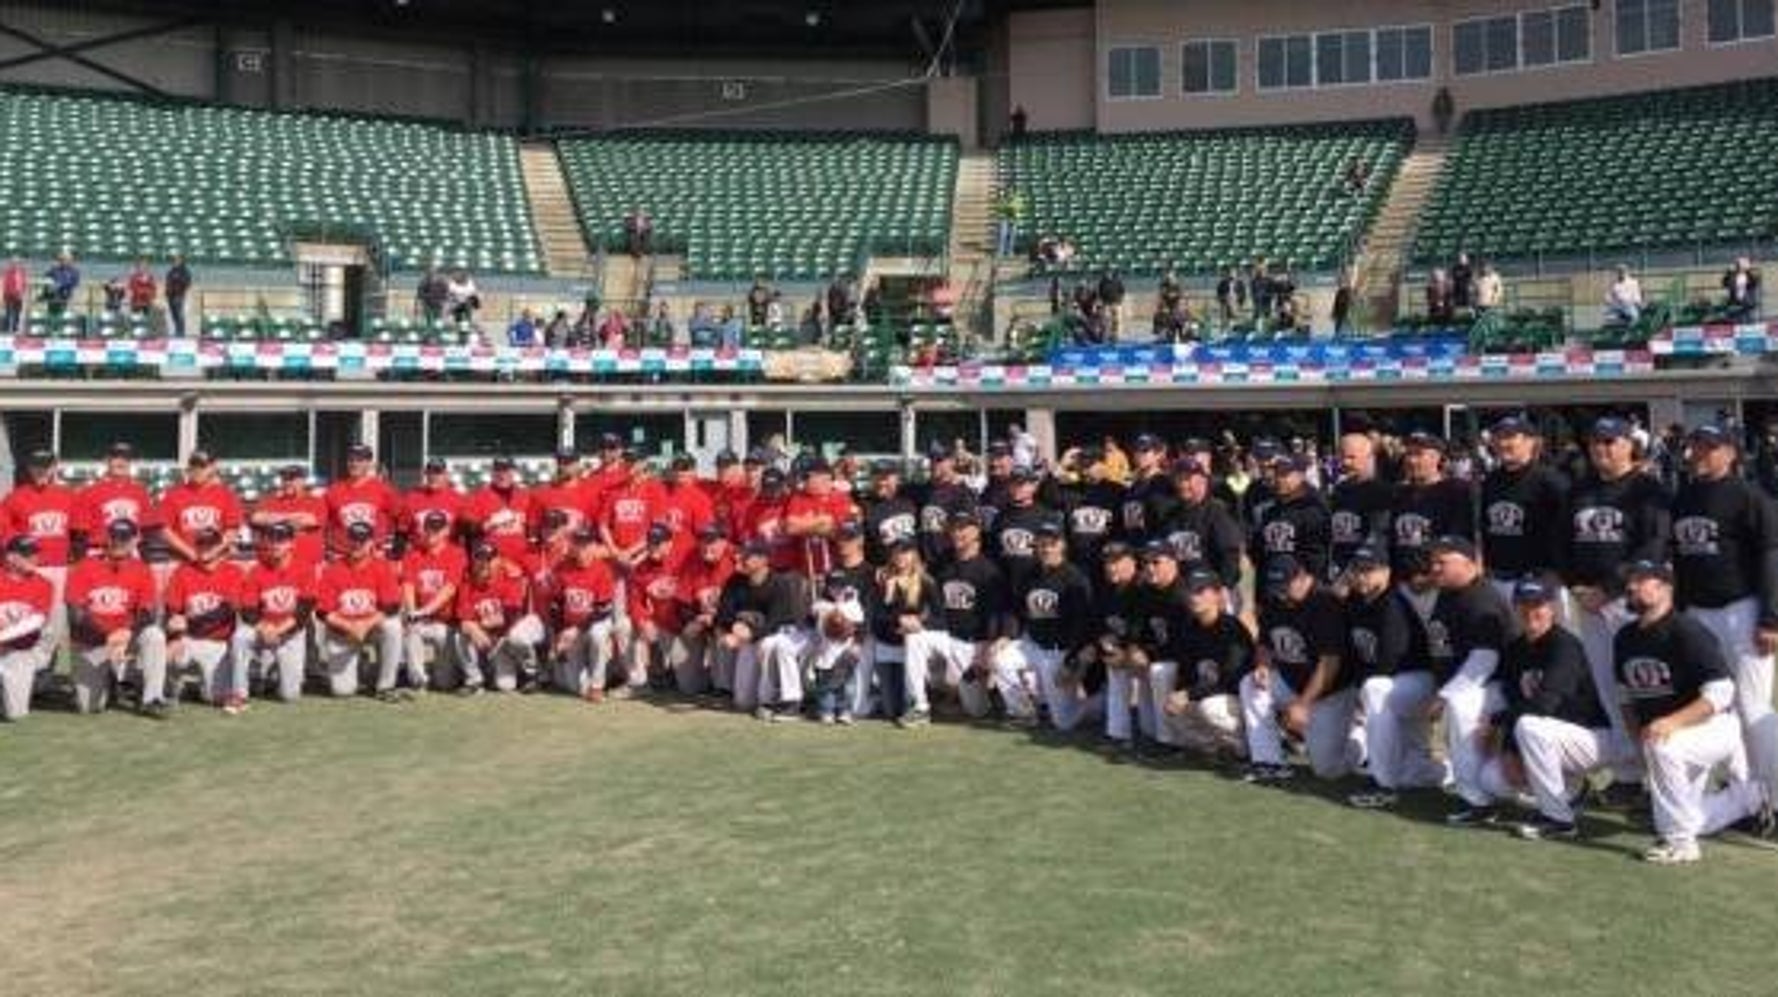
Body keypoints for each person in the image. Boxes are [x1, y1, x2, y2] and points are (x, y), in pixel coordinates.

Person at [1613, 559, 1770, 863]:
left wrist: (1671, 723)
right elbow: (1625, 698)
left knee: (1661, 750)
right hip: (1671, 737)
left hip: (1713, 728)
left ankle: (1682, 845)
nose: (1631, 586)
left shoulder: (1687, 631)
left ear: (1665, 588)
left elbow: (1721, 693)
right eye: (1630, 581)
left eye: (1641, 580)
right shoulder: (1624, 637)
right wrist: (1637, 741)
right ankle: (1748, 798)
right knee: (1677, 815)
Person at [1669, 423, 1778, 804]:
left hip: (1741, 610)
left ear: (1731, 453)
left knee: (1751, 706)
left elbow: (1771, 557)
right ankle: (1740, 786)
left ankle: (1772, 795)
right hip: (1696, 612)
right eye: (1697, 446)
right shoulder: (1684, 496)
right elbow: (1677, 559)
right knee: (1711, 704)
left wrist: (1770, 617)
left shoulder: (1749, 496)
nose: (1700, 453)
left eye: (1711, 447)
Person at [1564, 415, 1670, 787]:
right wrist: (1575, 585)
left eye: (1610, 441)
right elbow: (1562, 540)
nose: (1601, 448)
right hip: (1589, 601)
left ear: (1630, 446)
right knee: (1609, 686)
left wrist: (1609, 588)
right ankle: (1628, 773)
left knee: (1645, 685)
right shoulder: (1580, 488)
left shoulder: (1647, 488)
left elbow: (1654, 545)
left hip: (1631, 600)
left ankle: (1659, 776)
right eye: (1596, 441)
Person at [1503, 577, 1622, 840]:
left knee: (1529, 725)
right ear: (1514, 608)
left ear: (1552, 608)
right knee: (1492, 780)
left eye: (1538, 605)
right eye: (1523, 605)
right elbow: (1513, 701)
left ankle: (1558, 819)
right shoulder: (1515, 650)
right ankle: (1573, 788)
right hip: (1553, 739)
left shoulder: (1565, 645)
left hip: (1592, 738)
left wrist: (1497, 724)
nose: (1530, 612)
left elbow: (1545, 704)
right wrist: (1509, 750)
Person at [1425, 536, 1519, 826]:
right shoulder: (1449, 592)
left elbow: (1484, 661)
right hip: (1465, 681)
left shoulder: (1481, 599)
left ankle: (1477, 801)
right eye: (1433, 561)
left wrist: (1444, 695)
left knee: (1461, 705)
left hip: (1498, 687)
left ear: (1469, 564)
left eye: (1442, 561)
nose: (1435, 567)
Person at [1242, 555, 1361, 783]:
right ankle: (1268, 761)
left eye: (1284, 587)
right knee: (1250, 684)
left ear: (1302, 578)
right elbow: (1264, 642)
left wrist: (1303, 704)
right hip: (1293, 682)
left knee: (1327, 769)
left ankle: (1360, 737)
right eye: (1276, 588)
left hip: (1330, 692)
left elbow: (1330, 664)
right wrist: (1263, 664)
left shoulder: (1326, 603)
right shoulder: (1276, 600)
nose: (1280, 594)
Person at [1345, 546, 1445, 809]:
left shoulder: (1391, 605)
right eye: (1357, 570)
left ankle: (1383, 784)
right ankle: (1446, 771)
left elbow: (1388, 661)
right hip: (1396, 686)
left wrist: (1360, 697)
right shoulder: (1355, 601)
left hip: (1418, 682)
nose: (1362, 576)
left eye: (1369, 570)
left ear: (1387, 572)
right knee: (1408, 772)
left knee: (1374, 688)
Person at [993, 523, 1097, 730]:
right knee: (1001, 659)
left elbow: (1083, 622)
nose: (1046, 549)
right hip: (1032, 645)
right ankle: (1024, 713)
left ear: (1062, 545)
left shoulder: (1075, 578)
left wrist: (1071, 661)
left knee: (1063, 723)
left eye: (1051, 544)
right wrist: (1006, 635)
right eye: (1041, 545)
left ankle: (1097, 705)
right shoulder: (1030, 575)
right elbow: (1016, 609)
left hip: (1059, 651)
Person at [66, 519, 168, 717]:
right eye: (114, 537)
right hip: (92, 640)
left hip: (125, 640)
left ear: (135, 541)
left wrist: (127, 633)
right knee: (88, 708)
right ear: (107, 538)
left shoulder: (142, 569)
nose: (118, 543)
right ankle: (112, 681)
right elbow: (76, 615)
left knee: (154, 635)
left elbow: (148, 613)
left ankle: (152, 698)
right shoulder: (85, 566)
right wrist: (107, 636)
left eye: (124, 538)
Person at [1154, 566, 1248, 757]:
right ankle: (1217, 746)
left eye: (1200, 591)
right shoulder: (1189, 627)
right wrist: (1178, 695)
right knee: (1173, 713)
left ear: (1218, 595)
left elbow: (1231, 680)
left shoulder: (1231, 628)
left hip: (1236, 701)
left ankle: (1248, 745)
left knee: (1211, 708)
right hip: (1206, 695)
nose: (1193, 597)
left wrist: (1189, 694)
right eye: (1190, 591)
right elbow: (1186, 670)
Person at [715, 540, 811, 720]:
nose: (741, 559)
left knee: (769, 644)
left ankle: (778, 700)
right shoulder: (735, 581)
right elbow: (722, 614)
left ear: (763, 560)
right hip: (750, 638)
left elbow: (776, 622)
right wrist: (732, 626)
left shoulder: (779, 583)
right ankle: (766, 698)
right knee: (743, 701)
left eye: (747, 556)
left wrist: (748, 635)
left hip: (782, 635)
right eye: (741, 554)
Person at [1479, 414, 1569, 605]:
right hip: (1497, 578)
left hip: (1538, 581)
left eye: (1510, 437)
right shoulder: (1490, 481)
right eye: (1498, 437)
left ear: (1530, 442)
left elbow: (1568, 529)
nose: (1502, 443)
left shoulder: (1550, 481)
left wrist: (1557, 573)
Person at [317, 521, 406, 700]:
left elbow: (392, 605)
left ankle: (385, 686)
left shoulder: (382, 566)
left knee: (393, 626)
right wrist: (349, 626)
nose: (357, 544)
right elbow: (323, 612)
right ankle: (360, 660)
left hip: (372, 628)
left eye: (362, 540)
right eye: (353, 539)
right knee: (342, 691)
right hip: (342, 631)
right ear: (347, 541)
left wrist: (365, 624)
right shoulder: (332, 569)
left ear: (371, 543)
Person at [162, 527, 246, 711]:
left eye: (211, 545)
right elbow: (172, 610)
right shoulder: (183, 571)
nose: (205, 548)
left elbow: (225, 613)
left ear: (219, 546)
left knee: (214, 697)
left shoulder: (233, 572)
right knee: (167, 653)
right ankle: (170, 686)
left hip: (217, 643)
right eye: (201, 544)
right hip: (188, 639)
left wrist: (189, 622)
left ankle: (195, 685)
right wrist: (174, 638)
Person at [1, 450, 77, 642]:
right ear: (29, 468)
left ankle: (57, 657)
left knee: (57, 617)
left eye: (46, 466)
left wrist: (75, 561)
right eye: (36, 466)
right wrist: (15, 558)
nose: (41, 471)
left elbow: (78, 531)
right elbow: (4, 531)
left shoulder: (68, 495)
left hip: (59, 566)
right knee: (29, 615)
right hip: (29, 567)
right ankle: (24, 652)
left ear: (53, 468)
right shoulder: (15, 497)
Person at [235, 522, 313, 703]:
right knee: (240, 637)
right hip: (262, 630)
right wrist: (265, 628)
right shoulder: (257, 570)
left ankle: (269, 669)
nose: (276, 544)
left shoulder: (305, 569)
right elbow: (248, 610)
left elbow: (303, 612)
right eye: (272, 539)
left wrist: (277, 631)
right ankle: (240, 692)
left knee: (290, 696)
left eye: (281, 540)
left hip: (290, 632)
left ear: (291, 543)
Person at [453, 541, 544, 695]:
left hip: (514, 632)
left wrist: (479, 625)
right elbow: (463, 618)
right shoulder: (467, 583)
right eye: (480, 559)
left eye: (489, 559)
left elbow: (510, 617)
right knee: (461, 636)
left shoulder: (510, 578)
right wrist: (474, 627)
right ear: (473, 561)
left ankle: (531, 674)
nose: (484, 564)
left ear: (498, 561)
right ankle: (474, 681)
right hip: (494, 639)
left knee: (517, 636)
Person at [871, 536, 941, 726]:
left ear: (914, 555)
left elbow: (940, 617)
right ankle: (876, 697)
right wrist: (888, 596)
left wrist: (919, 623)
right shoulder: (883, 580)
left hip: (910, 647)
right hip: (886, 644)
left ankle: (923, 704)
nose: (901, 556)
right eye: (896, 553)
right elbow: (877, 617)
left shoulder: (926, 581)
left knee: (904, 706)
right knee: (890, 710)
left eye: (906, 552)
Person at [549, 526, 620, 701]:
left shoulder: (603, 569)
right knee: (574, 687)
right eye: (578, 545)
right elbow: (556, 605)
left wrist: (576, 629)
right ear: (572, 547)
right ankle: (602, 676)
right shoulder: (562, 568)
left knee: (598, 635)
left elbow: (602, 610)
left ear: (593, 547)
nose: (582, 550)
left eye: (586, 545)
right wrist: (559, 634)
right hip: (570, 629)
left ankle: (597, 686)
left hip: (594, 623)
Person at [401, 511, 464, 693]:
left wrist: (426, 611)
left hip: (446, 623)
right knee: (411, 629)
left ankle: (452, 671)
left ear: (446, 531)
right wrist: (413, 612)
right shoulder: (413, 554)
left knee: (445, 683)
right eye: (429, 528)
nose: (432, 533)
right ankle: (418, 680)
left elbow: (450, 589)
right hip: (421, 619)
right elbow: (408, 585)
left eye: (437, 529)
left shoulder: (456, 553)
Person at [0, 535, 55, 721]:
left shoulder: (44, 584)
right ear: (10, 557)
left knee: (16, 714)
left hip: (20, 652)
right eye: (27, 554)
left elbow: (36, 621)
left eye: (35, 553)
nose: (34, 558)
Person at [1328, 432, 1393, 577]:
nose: (1345, 462)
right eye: (1342, 457)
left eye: (1352, 457)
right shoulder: (1339, 490)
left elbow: (1380, 536)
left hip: (1368, 572)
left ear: (1369, 457)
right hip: (1339, 570)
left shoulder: (1383, 492)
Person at [323, 443, 401, 559]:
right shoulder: (333, 490)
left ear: (369, 463)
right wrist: (328, 549)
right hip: (341, 556)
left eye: (360, 460)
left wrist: (389, 548)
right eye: (351, 460)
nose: (354, 464)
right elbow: (324, 524)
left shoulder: (384, 490)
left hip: (373, 557)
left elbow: (401, 520)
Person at [1722, 256, 1761, 322]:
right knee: (1736, 319)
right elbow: (1725, 283)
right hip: (1735, 302)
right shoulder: (1733, 275)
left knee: (1747, 318)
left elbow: (1754, 283)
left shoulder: (1749, 276)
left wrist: (1748, 272)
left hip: (1746, 303)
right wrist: (1728, 273)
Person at [44, 251, 79, 318]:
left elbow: (74, 282)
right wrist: (50, 283)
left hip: (65, 295)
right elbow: (47, 277)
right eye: (61, 260)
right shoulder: (54, 269)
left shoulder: (74, 271)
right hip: (53, 295)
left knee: (63, 313)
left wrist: (60, 285)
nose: (63, 262)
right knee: (52, 313)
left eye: (65, 259)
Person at [164, 254, 191, 337]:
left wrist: (178, 280)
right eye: (175, 260)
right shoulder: (171, 271)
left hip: (179, 295)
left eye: (178, 260)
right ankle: (177, 329)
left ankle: (181, 332)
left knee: (179, 314)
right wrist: (167, 291)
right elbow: (168, 281)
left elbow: (187, 282)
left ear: (181, 261)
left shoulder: (185, 271)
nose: (176, 262)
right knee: (173, 314)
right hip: (170, 295)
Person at [993, 187, 1025, 258]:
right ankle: (1000, 252)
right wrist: (1008, 207)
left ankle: (1009, 252)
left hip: (1014, 219)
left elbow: (1017, 207)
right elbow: (1000, 207)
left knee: (1012, 236)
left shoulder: (1017, 198)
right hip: (1004, 218)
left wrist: (1011, 208)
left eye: (1011, 191)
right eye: (1008, 191)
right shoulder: (1003, 199)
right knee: (1002, 235)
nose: (1009, 192)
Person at [2, 257, 27, 333]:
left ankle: (15, 328)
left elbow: (24, 283)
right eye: (14, 263)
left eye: (17, 263)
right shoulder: (8, 272)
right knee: (8, 312)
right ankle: (6, 328)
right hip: (9, 295)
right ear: (11, 264)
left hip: (19, 295)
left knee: (17, 312)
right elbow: (6, 284)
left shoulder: (22, 272)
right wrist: (8, 293)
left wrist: (22, 292)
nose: (15, 264)